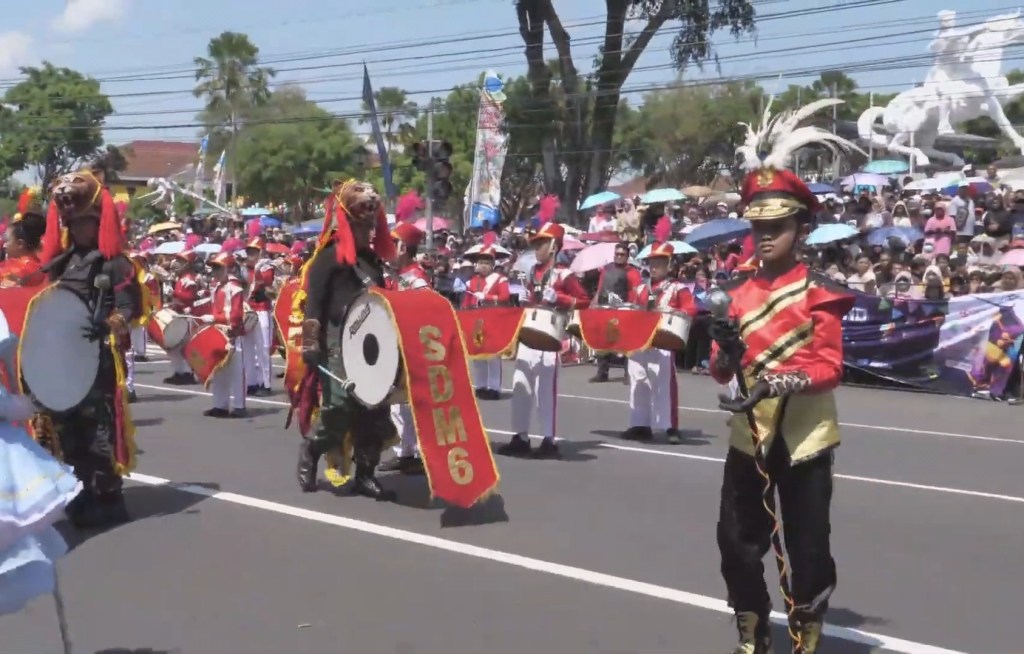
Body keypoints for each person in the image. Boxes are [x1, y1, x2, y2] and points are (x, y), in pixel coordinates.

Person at [713, 101, 859, 653]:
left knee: (808, 546)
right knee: (735, 541)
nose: (765, 236)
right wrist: (725, 356)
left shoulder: (820, 289)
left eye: (777, 226)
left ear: (801, 227)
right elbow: (723, 372)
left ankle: (808, 635)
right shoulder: (733, 292)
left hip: (804, 436)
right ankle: (752, 633)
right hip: (745, 434)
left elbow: (829, 367)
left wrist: (784, 382)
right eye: (758, 226)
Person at [36, 166, 142, 529]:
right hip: (65, 360)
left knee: (99, 431)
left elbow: (130, 308)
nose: (77, 229)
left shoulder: (115, 264)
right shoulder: (61, 264)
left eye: (84, 222)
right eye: (73, 223)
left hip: (98, 359)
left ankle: (109, 495)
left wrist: (113, 321)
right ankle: (82, 490)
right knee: (67, 430)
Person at [296, 179, 398, 500]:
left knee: (375, 408)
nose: (369, 226)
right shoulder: (327, 257)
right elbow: (314, 302)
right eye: (362, 217)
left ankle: (366, 474)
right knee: (339, 408)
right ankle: (312, 450)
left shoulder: (373, 261)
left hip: (373, 342)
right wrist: (311, 344)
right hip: (338, 341)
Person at [499, 221, 589, 459]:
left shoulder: (564, 274)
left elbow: (584, 300)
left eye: (541, 243)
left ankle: (549, 439)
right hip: (530, 332)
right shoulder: (531, 272)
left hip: (550, 335)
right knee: (521, 385)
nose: (536, 248)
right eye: (535, 244)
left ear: (553, 246)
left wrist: (560, 297)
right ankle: (520, 436)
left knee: (545, 390)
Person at [624, 243, 696, 444]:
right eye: (652, 262)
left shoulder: (677, 288)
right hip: (640, 341)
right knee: (638, 382)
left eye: (659, 263)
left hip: (664, 340)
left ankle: (670, 426)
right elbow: (632, 309)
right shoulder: (640, 288)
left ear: (669, 265)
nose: (654, 267)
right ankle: (640, 424)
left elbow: (690, 310)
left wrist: (673, 312)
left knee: (664, 384)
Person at [381, 222, 429, 475]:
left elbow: (426, 310)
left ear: (403, 248)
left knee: (415, 403)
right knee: (398, 404)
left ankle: (421, 453)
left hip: (412, 348)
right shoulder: (394, 276)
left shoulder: (416, 278)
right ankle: (405, 452)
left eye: (392, 244)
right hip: (395, 347)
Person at [462, 244, 511, 399]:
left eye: (487, 263)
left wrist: (487, 297)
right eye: (481, 262)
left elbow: (505, 297)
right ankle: (481, 385)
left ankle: (494, 387)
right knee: (478, 354)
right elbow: (466, 302)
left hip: (493, 320)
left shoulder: (500, 279)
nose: (483, 266)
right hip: (476, 322)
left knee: (493, 355)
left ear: (493, 264)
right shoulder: (472, 281)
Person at [202, 251, 247, 418]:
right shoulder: (216, 288)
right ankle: (220, 405)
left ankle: (239, 406)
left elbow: (236, 315)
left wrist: (215, 318)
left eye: (218, 268)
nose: (215, 272)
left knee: (236, 371)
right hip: (218, 332)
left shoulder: (234, 289)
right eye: (213, 269)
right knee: (218, 370)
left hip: (232, 333)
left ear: (228, 269)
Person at [591, 241, 642, 383]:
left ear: (627, 256)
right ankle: (602, 372)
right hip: (605, 308)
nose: (619, 257)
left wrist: (632, 308)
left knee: (625, 343)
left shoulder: (633, 272)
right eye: (617, 254)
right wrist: (594, 302)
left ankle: (628, 373)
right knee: (602, 341)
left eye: (622, 254)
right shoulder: (606, 270)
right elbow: (601, 288)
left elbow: (636, 292)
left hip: (624, 309)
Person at [242, 237, 275, 397]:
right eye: (249, 252)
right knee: (247, 349)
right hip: (247, 310)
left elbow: (265, 284)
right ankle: (251, 383)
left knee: (263, 348)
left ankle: (265, 384)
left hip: (262, 309)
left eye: (254, 252)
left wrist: (257, 270)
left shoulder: (266, 267)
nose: (250, 255)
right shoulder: (244, 268)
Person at [164, 250, 201, 385]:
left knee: (184, 346)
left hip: (187, 315)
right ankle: (178, 372)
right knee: (174, 346)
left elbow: (189, 297)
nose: (177, 264)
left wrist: (174, 293)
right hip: (179, 313)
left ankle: (187, 373)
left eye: (180, 261)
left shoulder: (190, 279)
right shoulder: (180, 278)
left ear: (187, 264)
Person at [1, 204, 46, 288]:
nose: (4, 245)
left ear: (20, 244)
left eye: (8, 240)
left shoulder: (21, 270)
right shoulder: (37, 266)